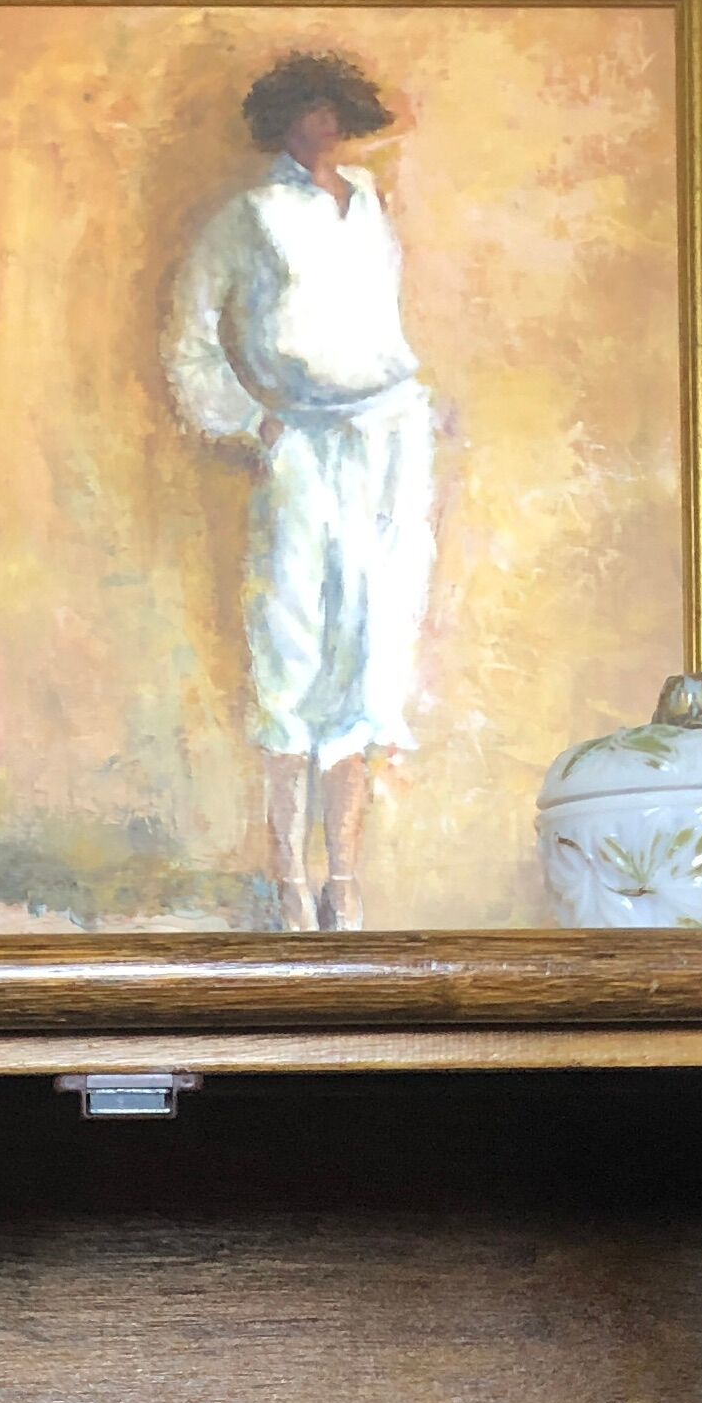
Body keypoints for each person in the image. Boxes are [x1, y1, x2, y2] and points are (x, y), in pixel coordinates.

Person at [163, 51, 437, 930]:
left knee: (374, 646)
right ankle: (286, 873)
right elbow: (190, 336)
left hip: (389, 440)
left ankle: (345, 879)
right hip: (302, 445)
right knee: (292, 646)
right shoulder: (250, 217)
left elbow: (377, 324)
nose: (320, 126)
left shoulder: (369, 205)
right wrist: (249, 422)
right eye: (305, 112)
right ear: (281, 121)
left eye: (332, 111)